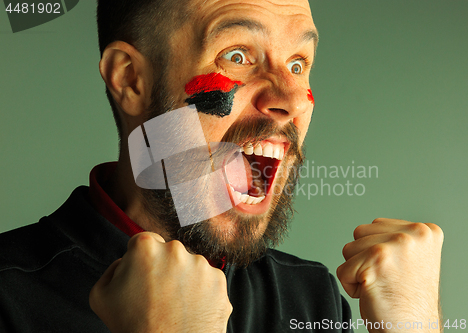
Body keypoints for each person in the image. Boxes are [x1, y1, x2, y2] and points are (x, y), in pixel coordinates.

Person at [0, 0, 444, 332]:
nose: (289, 100)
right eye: (238, 56)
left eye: (297, 63)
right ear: (131, 80)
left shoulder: (310, 299)